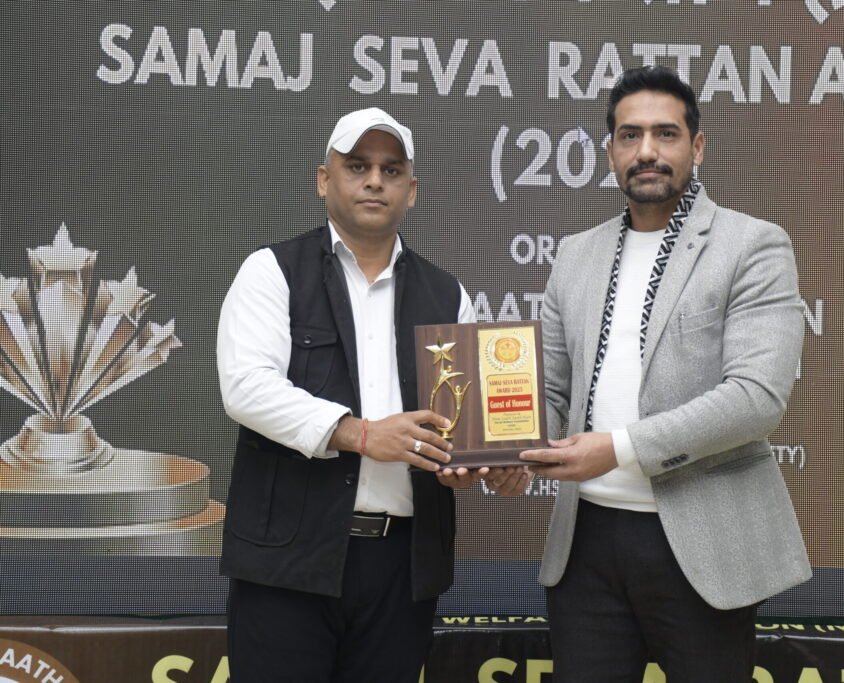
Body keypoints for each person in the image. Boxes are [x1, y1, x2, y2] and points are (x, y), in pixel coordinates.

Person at [217, 106, 528, 682]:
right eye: (357, 166)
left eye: (391, 170)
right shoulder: (271, 271)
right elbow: (246, 388)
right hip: (288, 562)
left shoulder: (447, 294)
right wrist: (360, 434)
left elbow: (457, 431)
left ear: (412, 190)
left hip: (401, 568)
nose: (375, 180)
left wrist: (473, 466)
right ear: (323, 180)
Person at [521, 66, 812, 681]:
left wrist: (618, 449)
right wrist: (505, 451)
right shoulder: (576, 254)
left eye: (665, 134)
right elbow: (548, 390)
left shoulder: (752, 245)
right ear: (610, 152)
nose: (647, 151)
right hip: (584, 545)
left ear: (696, 147)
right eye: (630, 135)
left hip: (702, 542)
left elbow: (756, 398)